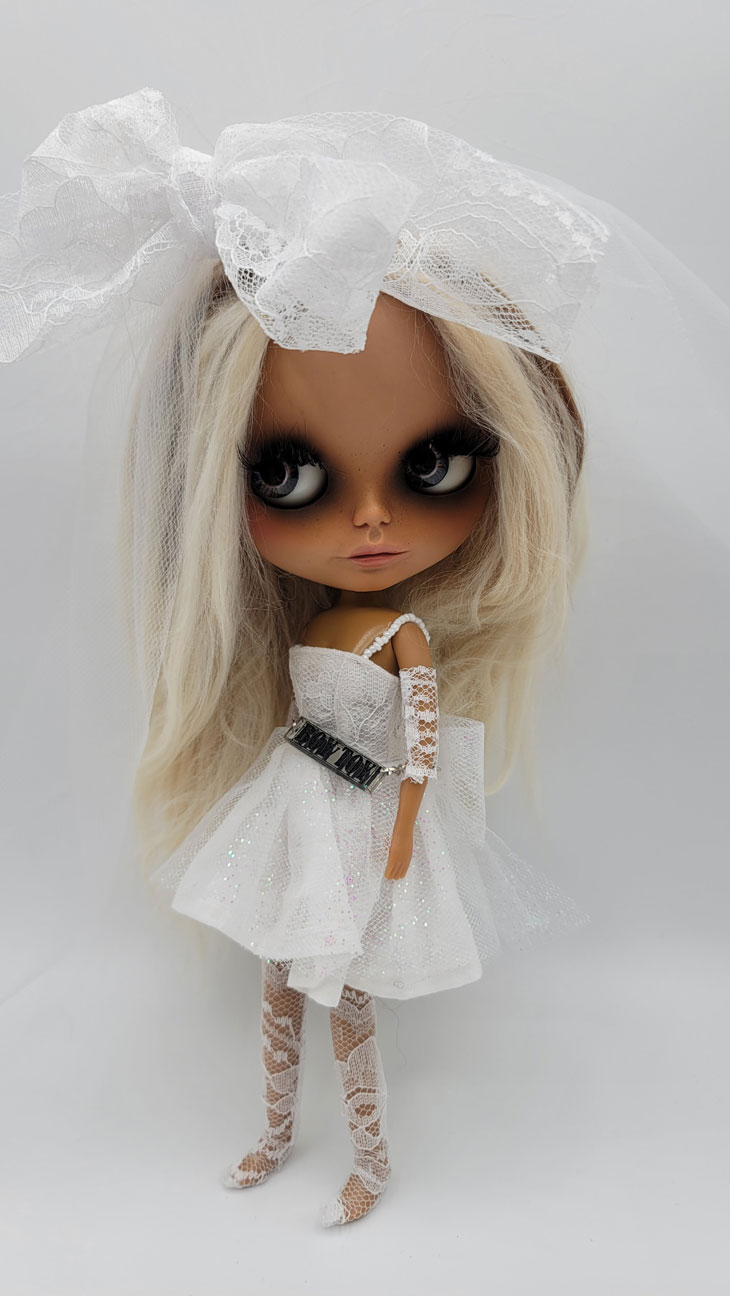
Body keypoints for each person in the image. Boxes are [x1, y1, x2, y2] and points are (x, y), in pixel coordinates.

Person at [2, 88, 727, 1230]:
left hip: (360, 823)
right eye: (289, 474)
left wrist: (399, 843)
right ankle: (272, 1130)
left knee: (344, 999)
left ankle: (370, 1157)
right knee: (278, 984)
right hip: (296, 805)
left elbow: (420, 745)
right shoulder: (314, 627)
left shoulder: (399, 635)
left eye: (433, 465)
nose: (374, 519)